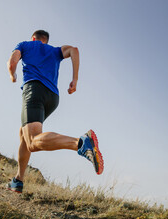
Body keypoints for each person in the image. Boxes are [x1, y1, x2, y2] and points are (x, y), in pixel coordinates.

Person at [6, 30, 103, 193]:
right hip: (52, 97)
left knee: (32, 141)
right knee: (24, 133)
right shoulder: (55, 50)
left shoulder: (25, 45)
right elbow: (74, 50)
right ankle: (18, 180)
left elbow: (12, 63)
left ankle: (80, 143)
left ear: (33, 38)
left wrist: (13, 75)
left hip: (34, 90)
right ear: (46, 40)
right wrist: (75, 79)